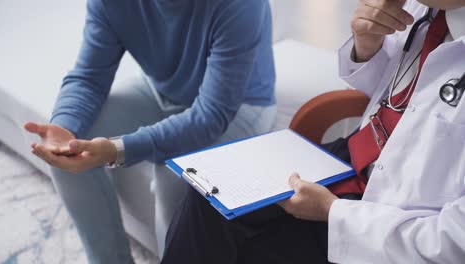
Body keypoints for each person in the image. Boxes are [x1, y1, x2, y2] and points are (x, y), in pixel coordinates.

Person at [160, 0, 465, 263]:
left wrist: (334, 214)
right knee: (211, 194)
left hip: (394, 224)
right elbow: (405, 101)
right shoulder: (425, 10)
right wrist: (367, 46)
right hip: (360, 156)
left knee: (251, 250)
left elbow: (453, 245)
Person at [24, 0, 276, 263]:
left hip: (240, 105)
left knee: (175, 175)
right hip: (161, 92)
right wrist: (64, 126)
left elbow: (212, 115)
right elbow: (89, 75)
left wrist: (118, 150)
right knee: (65, 154)